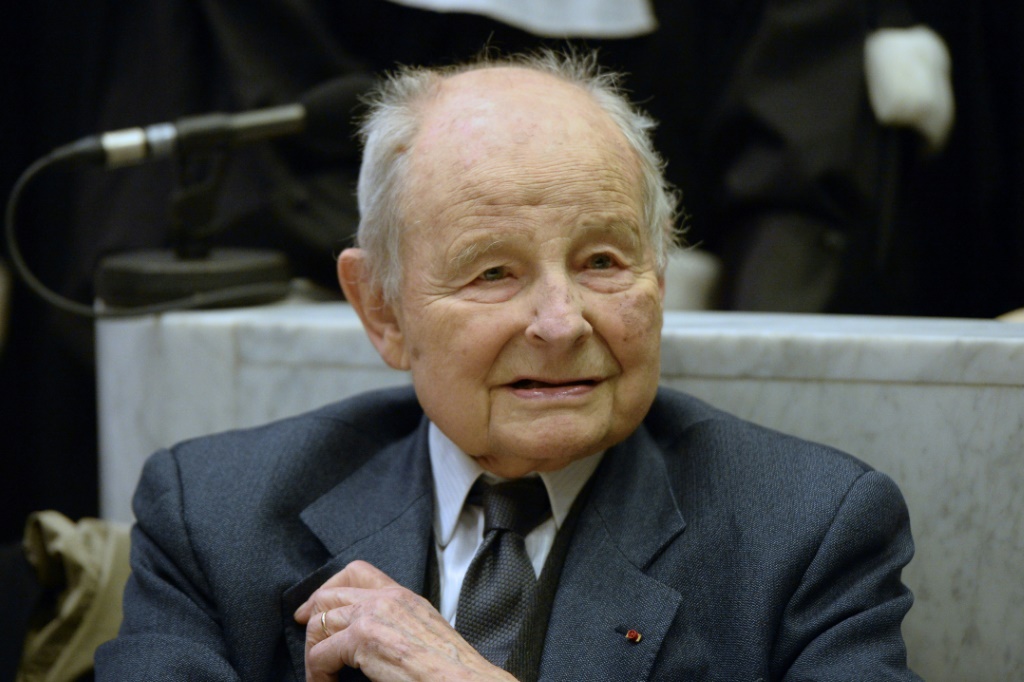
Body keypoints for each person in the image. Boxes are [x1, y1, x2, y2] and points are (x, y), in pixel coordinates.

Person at [96, 51, 921, 681]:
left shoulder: (807, 533)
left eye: (602, 261)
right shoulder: (216, 516)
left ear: (659, 279)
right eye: (494, 273)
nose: (561, 323)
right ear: (382, 309)